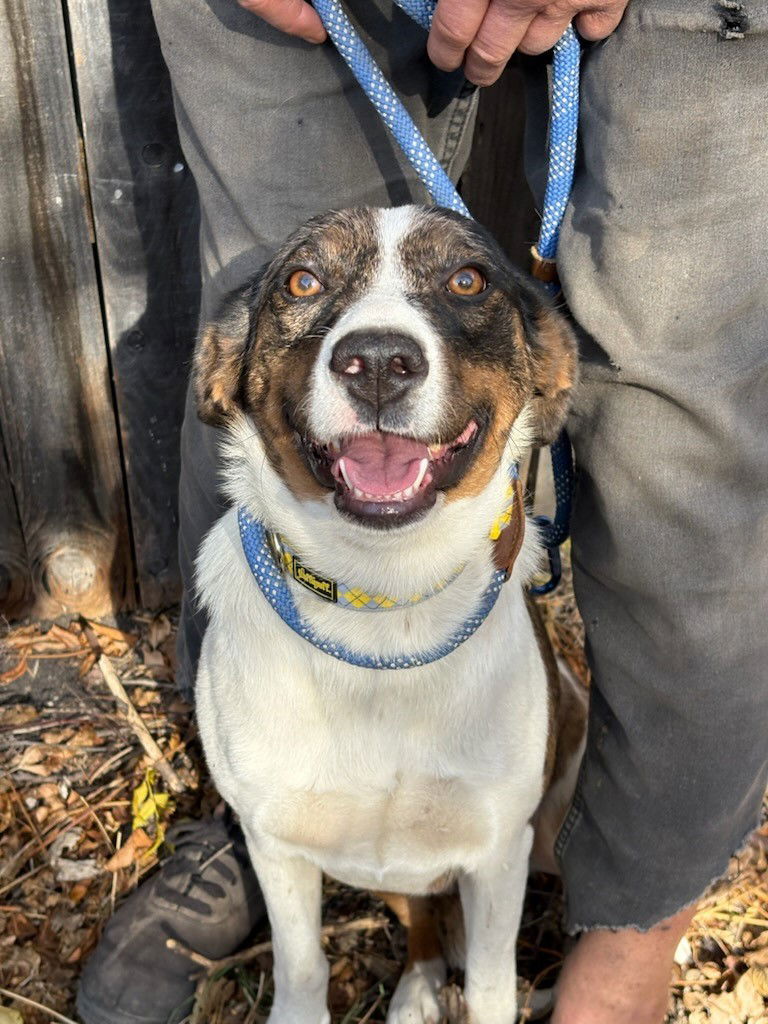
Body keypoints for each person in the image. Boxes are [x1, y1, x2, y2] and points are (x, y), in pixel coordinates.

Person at [76, 1, 768, 1023]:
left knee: (679, 399)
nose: (379, 352)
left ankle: (627, 938)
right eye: (313, 287)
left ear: (544, 379)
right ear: (227, 378)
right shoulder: (243, 373)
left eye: (462, 286)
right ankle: (260, 839)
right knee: (256, 244)